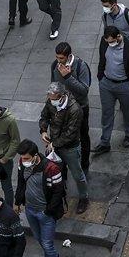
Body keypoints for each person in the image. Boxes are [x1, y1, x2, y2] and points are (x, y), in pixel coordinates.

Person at [14, 139, 66, 257]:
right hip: (30, 210)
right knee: (39, 239)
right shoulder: (22, 163)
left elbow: (58, 192)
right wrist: (17, 201)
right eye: (22, 158)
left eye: (27, 158)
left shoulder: (51, 168)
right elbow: (21, 182)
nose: (24, 161)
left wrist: (48, 211)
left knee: (47, 245)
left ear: (35, 155)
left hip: (45, 214)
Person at [39, 82, 88, 214]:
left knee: (78, 175)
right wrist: (43, 130)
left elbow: (70, 135)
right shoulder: (51, 101)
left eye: (53, 99)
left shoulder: (75, 109)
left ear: (61, 96)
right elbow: (44, 116)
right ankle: (60, 194)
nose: (51, 101)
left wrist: (53, 144)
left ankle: (84, 198)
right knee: (56, 172)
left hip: (70, 148)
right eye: (50, 98)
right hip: (55, 145)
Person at [93, 27, 129, 155]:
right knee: (106, 113)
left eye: (112, 41)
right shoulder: (104, 42)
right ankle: (105, 142)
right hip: (106, 84)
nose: (110, 44)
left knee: (128, 112)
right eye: (108, 41)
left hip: (125, 85)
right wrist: (100, 77)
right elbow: (102, 60)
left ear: (119, 36)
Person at [51, 43, 93, 171]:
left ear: (68, 56)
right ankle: (63, 164)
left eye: (61, 58)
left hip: (80, 108)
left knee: (83, 135)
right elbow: (53, 84)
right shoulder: (55, 65)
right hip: (62, 108)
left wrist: (68, 77)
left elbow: (84, 90)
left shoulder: (81, 66)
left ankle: (85, 163)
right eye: (57, 57)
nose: (59, 61)